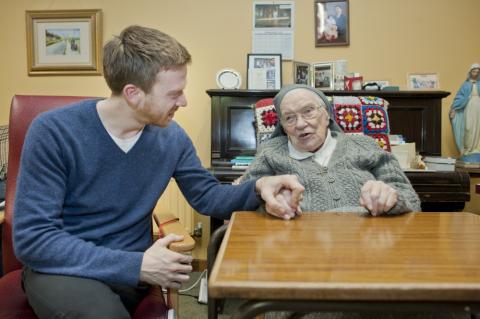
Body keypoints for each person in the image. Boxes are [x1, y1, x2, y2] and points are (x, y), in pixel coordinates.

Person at [13, 25, 304, 319]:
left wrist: (260, 186)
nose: (184, 101)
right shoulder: (53, 132)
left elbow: (209, 196)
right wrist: (136, 266)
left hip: (129, 274)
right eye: (174, 93)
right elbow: (34, 239)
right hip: (63, 270)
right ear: (133, 94)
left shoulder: (170, 137)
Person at [239, 84, 421, 218]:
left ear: (326, 115)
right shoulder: (270, 153)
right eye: (289, 118)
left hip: (370, 247)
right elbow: (241, 203)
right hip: (299, 250)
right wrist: (269, 206)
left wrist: (391, 198)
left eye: (308, 111)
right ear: (283, 126)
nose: (301, 124)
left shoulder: (364, 145)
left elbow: (412, 201)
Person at [449, 63, 480, 162]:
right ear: (470, 72)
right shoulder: (466, 85)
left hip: (478, 107)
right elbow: (459, 97)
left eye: (477, 72)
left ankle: (476, 149)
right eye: (474, 71)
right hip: (469, 106)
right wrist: (454, 108)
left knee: (477, 128)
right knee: (468, 127)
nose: (475, 73)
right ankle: (467, 149)